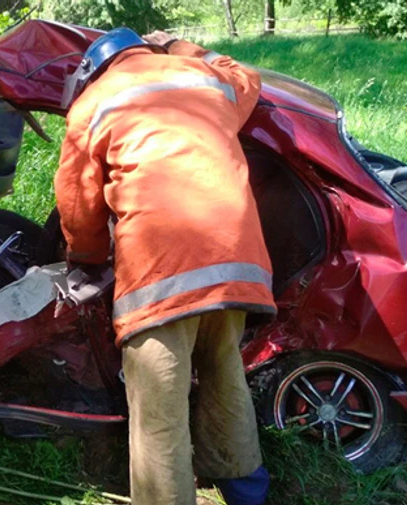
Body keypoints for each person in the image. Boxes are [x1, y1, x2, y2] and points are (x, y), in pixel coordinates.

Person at [55, 27, 277, 505]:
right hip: (236, 264)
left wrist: (86, 261)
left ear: (93, 71)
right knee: (224, 374)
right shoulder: (203, 77)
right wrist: (179, 45)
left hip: (160, 274)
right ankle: (247, 493)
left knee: (159, 409)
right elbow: (247, 76)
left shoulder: (92, 105)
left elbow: (77, 203)